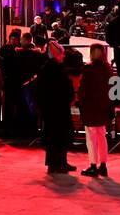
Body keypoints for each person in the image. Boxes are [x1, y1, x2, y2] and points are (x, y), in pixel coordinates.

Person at [35, 41, 76, 174]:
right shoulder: (56, 69)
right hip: (58, 108)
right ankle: (58, 163)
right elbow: (63, 88)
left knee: (53, 136)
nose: (63, 56)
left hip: (50, 108)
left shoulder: (46, 68)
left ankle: (56, 163)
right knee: (60, 136)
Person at [75, 44, 114, 175]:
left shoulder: (88, 68)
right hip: (104, 107)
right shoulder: (107, 68)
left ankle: (93, 164)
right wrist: (112, 104)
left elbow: (83, 90)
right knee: (102, 135)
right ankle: (103, 165)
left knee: (91, 138)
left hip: (90, 107)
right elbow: (115, 86)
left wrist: (79, 102)